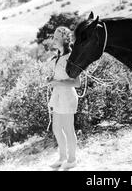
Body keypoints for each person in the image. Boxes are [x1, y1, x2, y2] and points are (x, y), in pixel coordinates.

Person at [47, 26, 81, 170]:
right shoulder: (58, 56)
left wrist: (58, 82)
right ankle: (62, 158)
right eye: (53, 37)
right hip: (57, 96)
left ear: (65, 39)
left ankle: (72, 160)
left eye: (56, 38)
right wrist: (51, 79)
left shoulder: (71, 57)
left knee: (68, 129)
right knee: (56, 128)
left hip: (67, 96)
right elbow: (60, 76)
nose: (53, 40)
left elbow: (77, 82)